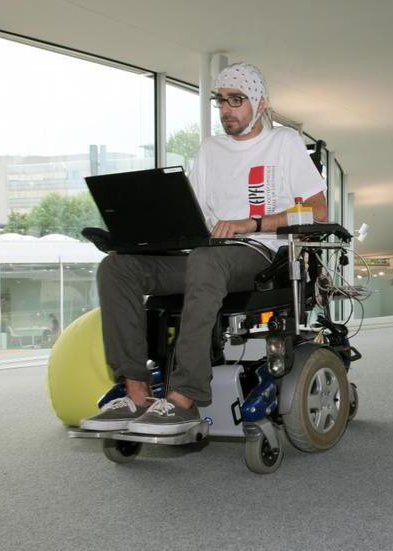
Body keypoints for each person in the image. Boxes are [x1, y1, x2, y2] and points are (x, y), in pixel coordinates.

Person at [81, 63, 327, 435]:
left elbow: (318, 210)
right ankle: (136, 393)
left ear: (260, 104)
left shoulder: (284, 142)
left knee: (205, 260)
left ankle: (184, 399)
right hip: (206, 254)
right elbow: (192, 215)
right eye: (221, 101)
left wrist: (252, 223)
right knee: (118, 267)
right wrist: (143, 239)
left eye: (236, 100)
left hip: (259, 254)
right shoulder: (210, 149)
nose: (227, 109)